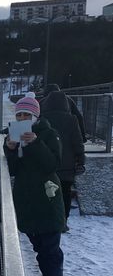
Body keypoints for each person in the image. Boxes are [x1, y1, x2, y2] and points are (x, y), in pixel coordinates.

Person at [5, 96, 67, 276]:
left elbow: (52, 164)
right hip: (28, 202)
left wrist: (34, 142)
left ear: (35, 116)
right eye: (19, 115)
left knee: (49, 250)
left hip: (47, 200)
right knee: (42, 247)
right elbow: (14, 170)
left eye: (26, 115)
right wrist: (11, 149)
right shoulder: (16, 134)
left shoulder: (49, 134)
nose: (22, 118)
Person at [41, 90, 85, 227]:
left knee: (50, 192)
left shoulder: (43, 119)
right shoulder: (72, 119)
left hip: (49, 165)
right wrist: (81, 160)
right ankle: (63, 221)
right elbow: (77, 143)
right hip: (68, 166)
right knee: (66, 193)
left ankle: (50, 218)